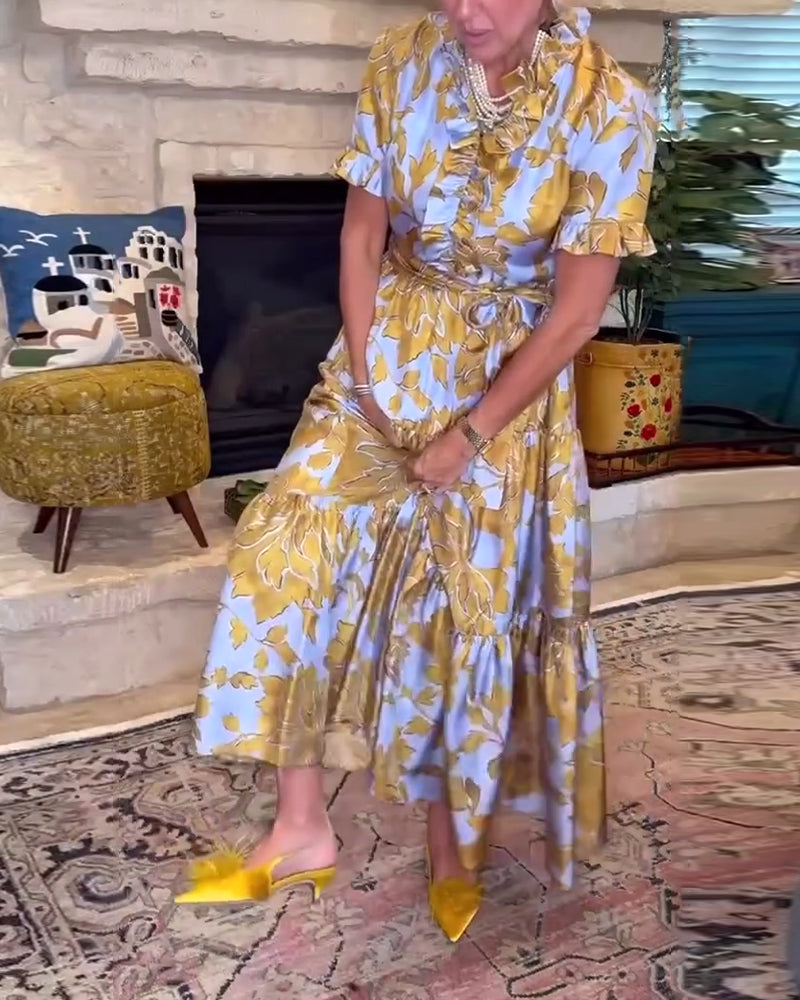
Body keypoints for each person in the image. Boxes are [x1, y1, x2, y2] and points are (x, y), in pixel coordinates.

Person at [177, 0, 656, 943]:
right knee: (281, 555)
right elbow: (362, 236)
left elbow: (576, 314)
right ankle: (301, 828)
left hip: (509, 378)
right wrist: (361, 375)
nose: (464, 12)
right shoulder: (401, 58)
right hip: (389, 347)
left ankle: (450, 845)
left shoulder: (610, 104)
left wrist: (470, 434)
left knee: (459, 605)